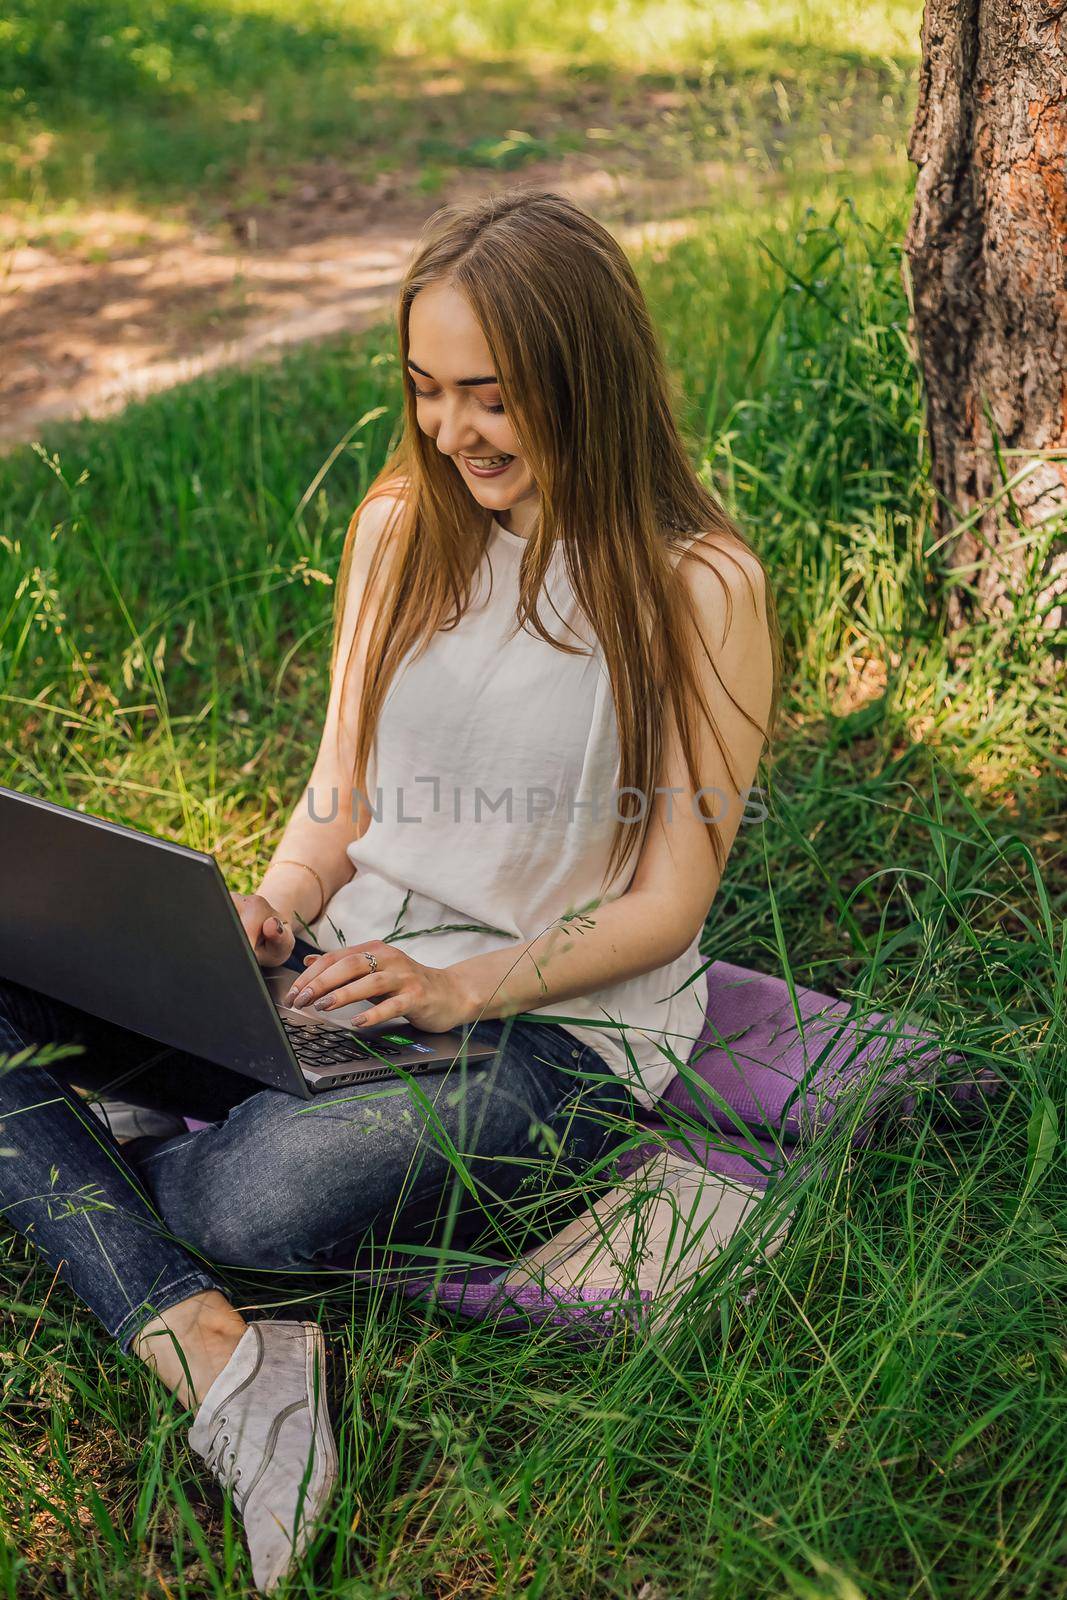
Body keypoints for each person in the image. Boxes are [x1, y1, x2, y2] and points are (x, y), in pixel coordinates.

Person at [0, 187, 778, 1591]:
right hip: (336, 979)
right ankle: (224, 1356)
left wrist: (462, 983)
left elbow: (672, 899)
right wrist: (278, 904)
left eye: (492, 396)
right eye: (425, 391)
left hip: (553, 1036)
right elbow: (337, 807)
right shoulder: (399, 528)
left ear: (583, 378)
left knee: (254, 1205)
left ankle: (85, 1153)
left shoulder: (698, 584)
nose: (451, 431)